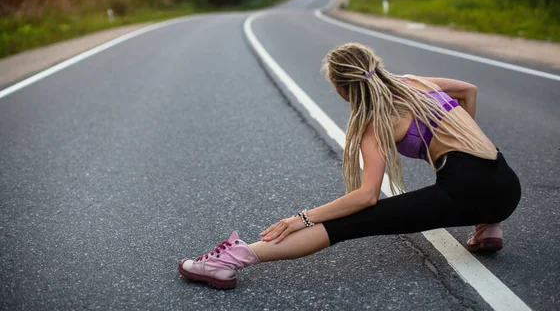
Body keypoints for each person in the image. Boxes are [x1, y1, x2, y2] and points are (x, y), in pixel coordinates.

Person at [178, 43, 521, 289]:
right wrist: (463, 144)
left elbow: (366, 197)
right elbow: (468, 91)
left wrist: (302, 218)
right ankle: (489, 226)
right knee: (474, 177)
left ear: (344, 90)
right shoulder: (417, 83)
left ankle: (229, 261)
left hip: (466, 193)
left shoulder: (375, 126)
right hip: (507, 188)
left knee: (350, 223)